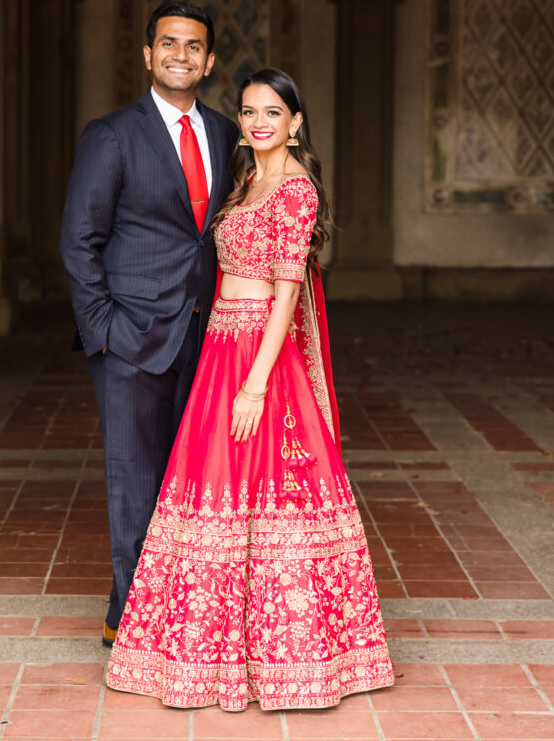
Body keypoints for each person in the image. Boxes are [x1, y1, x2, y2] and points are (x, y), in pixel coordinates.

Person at [105, 68, 394, 711]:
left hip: (262, 355)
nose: (259, 122)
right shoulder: (246, 181)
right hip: (221, 349)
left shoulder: (294, 191)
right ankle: (211, 654)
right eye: (249, 112)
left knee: (268, 497)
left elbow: (289, 292)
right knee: (215, 494)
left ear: (295, 122)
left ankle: (287, 658)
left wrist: (257, 385)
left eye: (273, 112)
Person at [60, 2, 239, 646]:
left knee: (182, 478)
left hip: (203, 334)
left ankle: (125, 607)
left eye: (194, 47)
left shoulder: (223, 134)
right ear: (147, 55)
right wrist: (103, 328)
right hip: (129, 336)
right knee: (134, 478)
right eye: (169, 44)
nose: (181, 56)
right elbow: (79, 240)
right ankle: (142, 629)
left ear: (210, 61)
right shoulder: (112, 135)